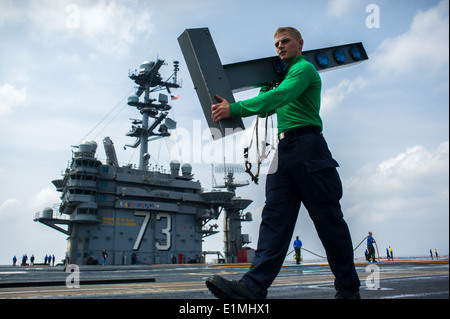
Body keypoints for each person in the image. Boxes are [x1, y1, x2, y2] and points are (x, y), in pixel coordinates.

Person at [206, 27, 361, 299]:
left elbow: (280, 97)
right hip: (284, 149)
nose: (280, 46)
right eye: (277, 43)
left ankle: (348, 289)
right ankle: (252, 288)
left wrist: (235, 108)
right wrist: (265, 82)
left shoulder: (304, 70)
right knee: (273, 220)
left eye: (285, 41)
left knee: (328, 222)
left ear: (300, 43)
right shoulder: (284, 77)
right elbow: (268, 105)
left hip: (309, 147)